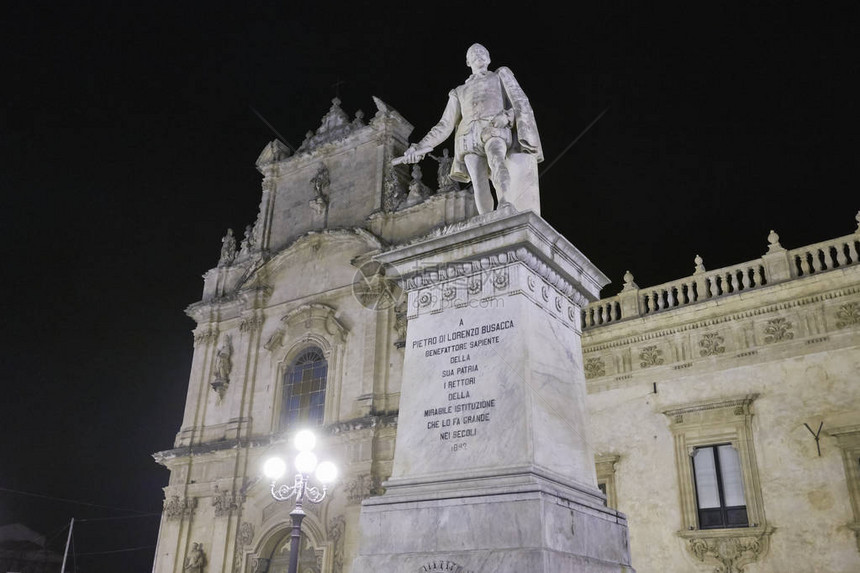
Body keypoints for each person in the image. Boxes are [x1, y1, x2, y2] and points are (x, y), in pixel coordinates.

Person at [400, 43, 542, 214]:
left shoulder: (499, 75)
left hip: (493, 129)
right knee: (478, 180)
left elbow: (520, 103)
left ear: (489, 58)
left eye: (482, 52)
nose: (479, 54)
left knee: (497, 161)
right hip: (467, 138)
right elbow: (444, 125)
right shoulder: (458, 91)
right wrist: (419, 146)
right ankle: (486, 218)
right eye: (474, 53)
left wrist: (506, 117)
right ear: (468, 62)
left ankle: (505, 203)